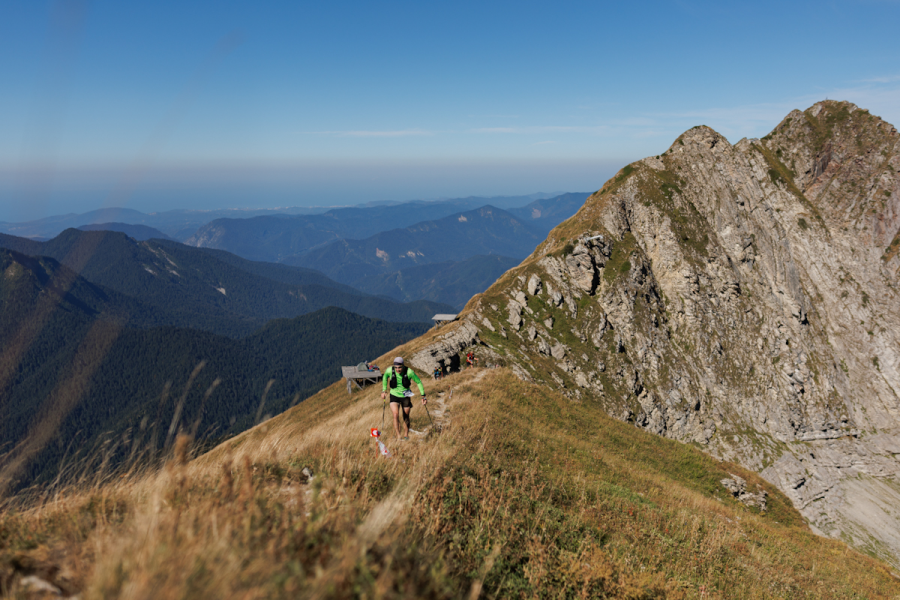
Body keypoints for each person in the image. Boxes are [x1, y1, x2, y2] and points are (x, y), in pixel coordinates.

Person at [381, 357, 426, 441]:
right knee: (395, 415)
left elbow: (418, 382)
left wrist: (423, 395)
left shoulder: (409, 372)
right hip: (394, 395)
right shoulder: (390, 370)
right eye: (396, 367)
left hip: (406, 396)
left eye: (399, 367)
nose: (397, 369)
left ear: (403, 366)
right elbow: (385, 377)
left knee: (406, 416)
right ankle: (398, 436)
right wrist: (384, 390)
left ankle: (406, 435)